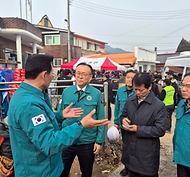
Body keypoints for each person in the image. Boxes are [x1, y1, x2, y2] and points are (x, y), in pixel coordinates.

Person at [7, 54, 109, 177]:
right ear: (44, 75)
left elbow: (40, 124)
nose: (52, 78)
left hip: (50, 162)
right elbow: (49, 143)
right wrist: (81, 125)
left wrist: (60, 115)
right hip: (39, 170)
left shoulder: (31, 96)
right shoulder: (29, 104)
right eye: (52, 74)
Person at [59, 62, 106, 177]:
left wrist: (99, 141)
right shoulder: (66, 91)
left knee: (86, 172)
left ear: (90, 77)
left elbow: (101, 117)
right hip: (67, 139)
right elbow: (60, 115)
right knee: (62, 171)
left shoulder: (96, 93)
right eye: (78, 73)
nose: (80, 76)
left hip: (87, 140)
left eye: (84, 74)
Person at [120, 72, 167, 177]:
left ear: (149, 87)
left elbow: (160, 130)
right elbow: (123, 116)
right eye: (135, 89)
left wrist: (138, 129)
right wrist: (123, 120)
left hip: (147, 155)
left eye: (141, 90)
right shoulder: (130, 101)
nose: (137, 93)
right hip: (130, 152)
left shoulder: (158, 106)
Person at [114, 69, 136, 176]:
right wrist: (116, 122)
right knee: (126, 146)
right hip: (123, 125)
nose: (130, 80)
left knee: (135, 147)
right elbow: (117, 107)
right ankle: (126, 167)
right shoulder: (120, 91)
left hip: (135, 125)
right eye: (128, 77)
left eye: (132, 78)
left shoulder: (137, 91)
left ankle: (134, 167)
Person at [173, 73, 190, 177]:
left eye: (188, 86)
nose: (183, 89)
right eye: (182, 85)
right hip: (181, 159)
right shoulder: (181, 104)